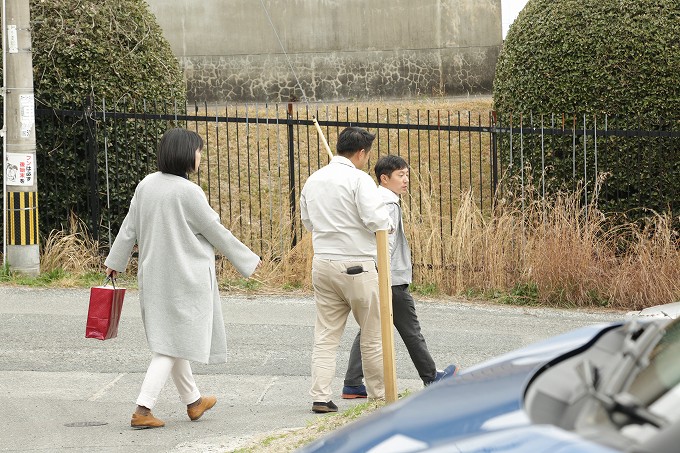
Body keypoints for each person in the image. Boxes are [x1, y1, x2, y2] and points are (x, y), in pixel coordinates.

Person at [104, 128, 260, 429]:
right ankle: (143, 409)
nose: (200, 156)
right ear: (186, 153)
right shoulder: (188, 192)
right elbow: (216, 232)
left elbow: (129, 227)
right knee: (170, 345)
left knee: (172, 338)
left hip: (153, 276)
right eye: (198, 150)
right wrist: (248, 261)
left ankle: (193, 401)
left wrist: (115, 262)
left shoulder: (146, 184)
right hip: (185, 279)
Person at [341, 155, 457, 399]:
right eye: (400, 175)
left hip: (381, 276)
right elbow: (388, 243)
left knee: (371, 329)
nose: (406, 180)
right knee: (410, 330)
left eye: (407, 175)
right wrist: (383, 275)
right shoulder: (389, 204)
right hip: (391, 279)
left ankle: (352, 383)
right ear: (385, 178)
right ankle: (431, 377)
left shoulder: (373, 199)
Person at [300, 126, 394, 413]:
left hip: (323, 263)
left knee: (326, 334)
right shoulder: (359, 180)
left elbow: (308, 222)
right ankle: (381, 395)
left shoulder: (313, 180)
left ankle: (320, 396)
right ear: (362, 153)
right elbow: (378, 221)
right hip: (357, 265)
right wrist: (386, 225)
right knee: (373, 333)